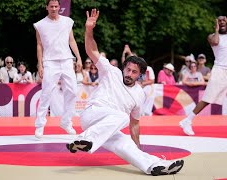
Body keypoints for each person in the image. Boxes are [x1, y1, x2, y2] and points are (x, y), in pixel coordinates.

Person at [66, 9, 184, 176]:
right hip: (92, 115)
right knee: (122, 117)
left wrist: (137, 147)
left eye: (133, 72)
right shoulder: (111, 71)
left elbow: (135, 124)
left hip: (107, 127)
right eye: (127, 69)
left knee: (125, 144)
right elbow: (92, 51)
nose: (128, 74)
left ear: (140, 75)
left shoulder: (139, 94)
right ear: (123, 68)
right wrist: (89, 30)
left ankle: (154, 165)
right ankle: (83, 139)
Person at [179, 16, 227, 136]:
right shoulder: (212, 36)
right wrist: (216, 29)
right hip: (220, 69)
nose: (221, 22)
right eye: (219, 20)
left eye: (223, 20)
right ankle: (187, 121)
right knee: (208, 98)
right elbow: (215, 42)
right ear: (216, 23)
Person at [33, 0, 82, 138]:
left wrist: (78, 58)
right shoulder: (40, 25)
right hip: (49, 61)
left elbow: (72, 40)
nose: (54, 8)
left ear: (59, 7)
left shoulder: (67, 21)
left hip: (67, 60)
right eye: (51, 6)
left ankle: (66, 122)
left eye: (56, 6)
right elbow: (39, 45)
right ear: (47, 7)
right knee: (46, 92)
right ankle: (40, 125)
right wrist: (40, 64)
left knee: (73, 90)